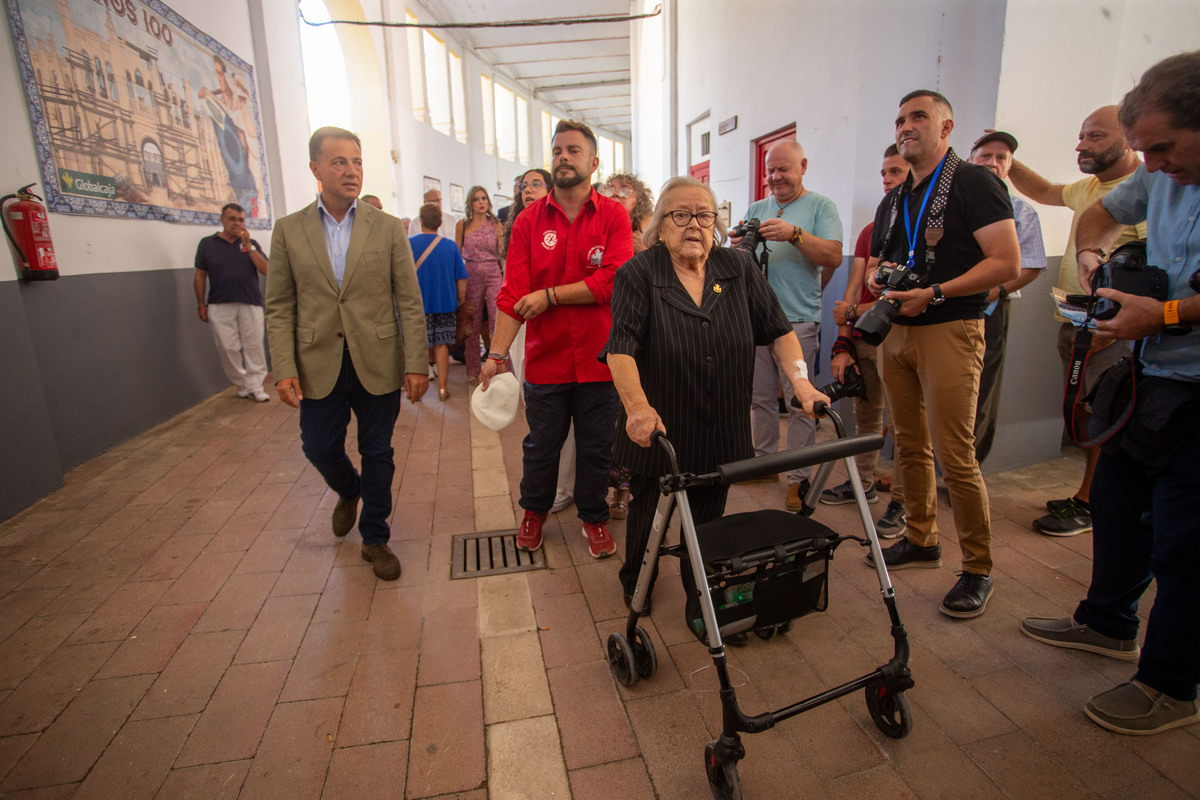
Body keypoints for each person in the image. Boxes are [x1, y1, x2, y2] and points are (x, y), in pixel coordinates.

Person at [1021, 50, 1200, 736]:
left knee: (1185, 541)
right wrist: (1096, 262)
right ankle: (1105, 622)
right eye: (1144, 149)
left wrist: (1168, 315)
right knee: (1120, 505)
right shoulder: (1158, 178)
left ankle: (1170, 685)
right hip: (1153, 376)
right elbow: (1095, 218)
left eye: (1164, 147)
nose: (1152, 164)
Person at [605, 176, 829, 608]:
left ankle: (700, 590)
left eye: (704, 215)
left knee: (708, 517)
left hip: (719, 421)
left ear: (717, 223)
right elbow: (621, 349)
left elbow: (780, 331)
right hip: (659, 424)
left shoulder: (738, 267)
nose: (694, 225)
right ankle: (638, 578)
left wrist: (799, 382)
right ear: (660, 227)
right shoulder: (639, 272)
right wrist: (637, 407)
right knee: (650, 510)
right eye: (681, 214)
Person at [863, 90, 1019, 618]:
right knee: (907, 443)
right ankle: (922, 539)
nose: (907, 126)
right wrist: (877, 278)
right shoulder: (894, 198)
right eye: (901, 118)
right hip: (897, 331)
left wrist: (935, 292)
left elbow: (1006, 262)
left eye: (919, 117)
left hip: (950, 326)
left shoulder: (975, 183)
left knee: (955, 453)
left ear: (947, 127)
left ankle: (978, 568)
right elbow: (877, 262)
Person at [264, 126, 428, 581]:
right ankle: (348, 490)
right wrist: (283, 368)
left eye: (356, 161)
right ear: (315, 168)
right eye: (339, 162)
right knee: (318, 446)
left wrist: (417, 363)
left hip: (377, 359)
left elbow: (409, 299)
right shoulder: (289, 231)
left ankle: (375, 537)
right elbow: (279, 305)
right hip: (318, 362)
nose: (350, 170)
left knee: (379, 450)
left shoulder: (387, 227)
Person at [479, 120, 633, 559]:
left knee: (595, 445)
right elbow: (512, 295)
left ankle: (594, 517)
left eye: (574, 151)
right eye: (558, 151)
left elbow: (614, 281)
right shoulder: (528, 221)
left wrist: (550, 296)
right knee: (541, 446)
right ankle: (534, 512)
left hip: (600, 359)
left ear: (593, 162)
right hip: (545, 360)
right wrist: (494, 356)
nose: (564, 157)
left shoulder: (613, 216)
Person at [1007, 106, 1146, 535]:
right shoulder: (1090, 188)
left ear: (1128, 138)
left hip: (1113, 330)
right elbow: (1046, 189)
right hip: (1076, 322)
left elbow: (1152, 272)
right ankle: (1090, 493)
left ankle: (1091, 504)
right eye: (1081, 136)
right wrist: (1005, 156)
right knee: (1086, 413)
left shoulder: (1144, 191)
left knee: (1108, 416)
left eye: (1095, 137)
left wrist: (1113, 327)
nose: (1081, 145)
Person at [732, 140, 844, 511]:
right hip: (755, 319)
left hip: (797, 319)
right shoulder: (757, 209)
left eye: (784, 169)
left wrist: (794, 234)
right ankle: (765, 463)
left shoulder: (820, 206)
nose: (776, 177)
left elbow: (832, 255)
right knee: (760, 399)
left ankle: (799, 477)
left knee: (800, 402)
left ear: (803, 165)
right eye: (770, 171)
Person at [823, 145, 908, 538]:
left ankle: (903, 504)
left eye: (896, 172)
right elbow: (854, 288)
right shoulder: (873, 229)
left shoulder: (919, 226)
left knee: (907, 426)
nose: (888, 180)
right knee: (867, 416)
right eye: (884, 173)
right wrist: (843, 343)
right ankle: (865, 482)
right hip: (864, 336)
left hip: (903, 338)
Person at [967, 131, 1048, 464]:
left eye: (1002, 158)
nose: (993, 162)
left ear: (1010, 166)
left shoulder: (1021, 211)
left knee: (981, 389)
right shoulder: (953, 203)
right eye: (986, 155)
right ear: (972, 159)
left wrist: (995, 290)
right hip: (944, 308)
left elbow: (1031, 266)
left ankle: (965, 470)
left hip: (991, 310)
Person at [194, 202, 270, 402]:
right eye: (232, 219)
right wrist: (200, 303)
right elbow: (200, 275)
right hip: (219, 303)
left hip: (250, 301)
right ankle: (241, 382)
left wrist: (248, 246)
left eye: (240, 220)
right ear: (222, 220)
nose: (236, 224)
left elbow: (265, 269)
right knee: (227, 347)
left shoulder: (250, 244)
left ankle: (256, 385)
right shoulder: (207, 244)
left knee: (254, 345)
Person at [500, 168, 552, 388]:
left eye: (536, 183)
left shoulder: (558, 223)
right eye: (523, 186)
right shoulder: (517, 225)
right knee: (524, 368)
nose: (528, 189)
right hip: (522, 307)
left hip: (552, 307)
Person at [411, 203, 467, 401]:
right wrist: (460, 299)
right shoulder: (450, 246)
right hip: (445, 303)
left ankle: (416, 391)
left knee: (418, 345)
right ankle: (442, 388)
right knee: (442, 344)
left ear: (421, 221)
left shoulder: (409, 244)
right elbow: (461, 278)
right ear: (441, 222)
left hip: (418, 305)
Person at [456, 186, 506, 384]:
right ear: (470, 203)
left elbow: (502, 254)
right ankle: (474, 369)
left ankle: (502, 367)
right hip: (471, 274)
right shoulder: (463, 225)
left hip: (494, 273)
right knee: (472, 322)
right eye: (476, 199)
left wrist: (506, 278)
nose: (481, 202)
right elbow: (457, 254)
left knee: (497, 321)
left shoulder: (496, 224)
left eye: (484, 198)